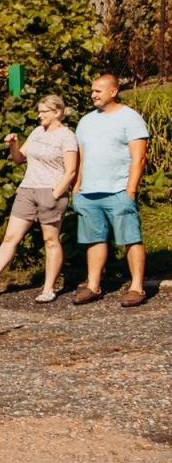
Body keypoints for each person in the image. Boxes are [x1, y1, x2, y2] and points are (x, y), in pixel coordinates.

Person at [0, 95, 78, 303]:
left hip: (50, 191)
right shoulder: (37, 132)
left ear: (57, 112)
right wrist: (14, 144)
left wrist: (56, 194)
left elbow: (71, 171)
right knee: (10, 237)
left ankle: (48, 288)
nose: (39, 115)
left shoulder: (67, 136)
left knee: (50, 240)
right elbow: (19, 158)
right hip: (27, 190)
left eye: (43, 111)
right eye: (39, 111)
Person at [71, 73, 150, 307]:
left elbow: (139, 157)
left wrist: (130, 190)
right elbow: (82, 157)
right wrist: (77, 187)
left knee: (131, 238)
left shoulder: (130, 118)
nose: (93, 95)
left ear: (113, 92)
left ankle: (137, 287)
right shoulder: (86, 121)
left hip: (118, 191)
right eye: (92, 90)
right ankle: (93, 285)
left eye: (98, 91)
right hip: (89, 192)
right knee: (94, 239)